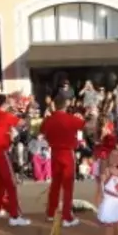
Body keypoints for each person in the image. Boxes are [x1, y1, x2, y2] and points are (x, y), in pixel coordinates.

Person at [0, 94, 29, 226]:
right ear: (4, 104)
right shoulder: (4, 115)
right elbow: (22, 123)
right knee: (11, 183)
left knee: (0, 181)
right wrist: (21, 110)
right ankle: (15, 216)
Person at [40, 94, 85, 227]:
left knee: (55, 185)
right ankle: (67, 216)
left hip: (54, 153)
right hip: (67, 153)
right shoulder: (70, 119)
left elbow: (42, 130)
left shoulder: (49, 119)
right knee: (67, 186)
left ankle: (50, 212)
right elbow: (83, 124)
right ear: (65, 105)